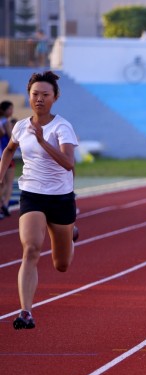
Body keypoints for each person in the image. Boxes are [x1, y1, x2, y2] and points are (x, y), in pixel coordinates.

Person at [0, 71, 79, 330]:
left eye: (45, 95)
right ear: (29, 95)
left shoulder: (62, 127)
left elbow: (68, 163)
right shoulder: (21, 126)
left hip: (60, 198)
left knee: (62, 264)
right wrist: (0, 177)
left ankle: (71, 231)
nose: (40, 99)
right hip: (32, 195)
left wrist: (42, 140)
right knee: (31, 249)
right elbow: (10, 149)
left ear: (55, 97)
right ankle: (26, 312)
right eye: (35, 94)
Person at [0, 100, 14, 218]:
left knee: (2, 183)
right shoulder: (6, 123)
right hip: (6, 155)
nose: (12, 111)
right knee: (7, 184)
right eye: (10, 109)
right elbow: (12, 138)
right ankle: (4, 204)